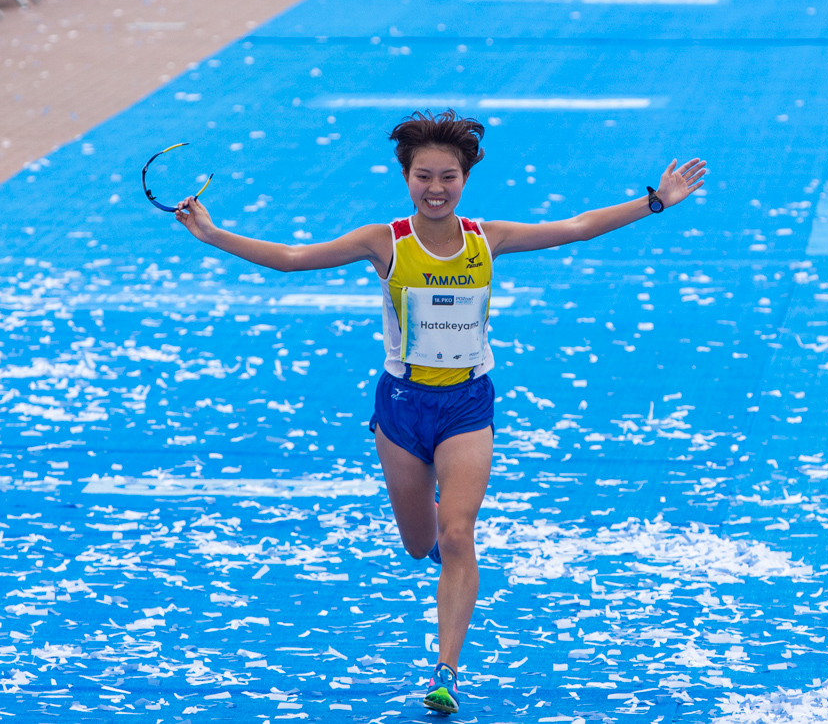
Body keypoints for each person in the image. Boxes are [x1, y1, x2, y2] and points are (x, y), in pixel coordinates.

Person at [170, 110, 706, 716]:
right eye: (423, 176)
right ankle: (435, 525)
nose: (435, 188)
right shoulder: (384, 242)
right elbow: (294, 257)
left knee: (457, 533)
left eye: (448, 176)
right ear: (405, 177)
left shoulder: (488, 238)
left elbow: (577, 227)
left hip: (467, 407)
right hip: (400, 409)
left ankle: (446, 670)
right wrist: (214, 236)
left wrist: (656, 202)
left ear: (465, 177)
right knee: (419, 540)